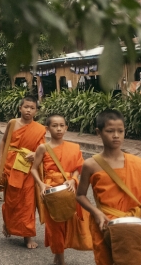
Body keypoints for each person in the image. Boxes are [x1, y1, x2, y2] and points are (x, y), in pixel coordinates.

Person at [76, 110, 141, 265]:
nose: (116, 135)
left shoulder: (137, 164)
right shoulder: (91, 165)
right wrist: (96, 212)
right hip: (106, 224)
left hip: (135, 223)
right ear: (99, 132)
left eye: (120, 131)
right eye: (110, 131)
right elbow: (80, 195)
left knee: (138, 259)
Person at [30, 114, 90, 265]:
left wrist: (73, 179)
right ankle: (60, 260)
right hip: (51, 190)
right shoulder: (43, 148)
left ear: (66, 128)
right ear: (47, 129)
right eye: (54, 126)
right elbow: (33, 169)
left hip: (68, 189)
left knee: (68, 223)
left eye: (61, 125)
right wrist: (42, 184)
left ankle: (58, 255)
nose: (58, 129)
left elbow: (78, 168)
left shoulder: (74, 147)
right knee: (54, 226)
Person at [0, 95, 46, 249]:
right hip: (11, 166)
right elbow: (4, 141)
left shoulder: (39, 129)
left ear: (36, 111)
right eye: (26, 107)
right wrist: (0, 163)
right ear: (20, 108)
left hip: (27, 168)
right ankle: (8, 224)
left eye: (32, 108)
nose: (28, 110)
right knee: (11, 200)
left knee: (27, 202)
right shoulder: (12, 123)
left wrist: (36, 154)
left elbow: (43, 149)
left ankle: (28, 236)